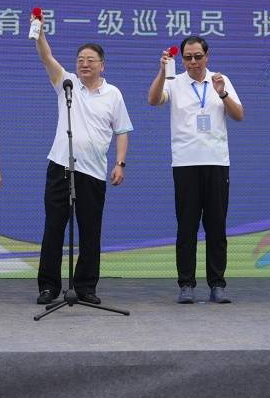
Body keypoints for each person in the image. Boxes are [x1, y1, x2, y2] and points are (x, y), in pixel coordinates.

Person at [34, 31, 132, 306]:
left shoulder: (113, 94)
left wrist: (120, 163)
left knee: (90, 232)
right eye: (80, 60)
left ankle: (86, 287)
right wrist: (39, 34)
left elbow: (122, 131)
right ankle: (49, 287)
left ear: (102, 65)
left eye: (90, 60)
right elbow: (46, 57)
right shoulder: (67, 84)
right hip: (61, 168)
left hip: (93, 173)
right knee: (54, 229)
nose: (84, 64)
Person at [149, 36, 242, 303]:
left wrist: (222, 93)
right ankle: (186, 284)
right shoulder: (173, 81)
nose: (193, 62)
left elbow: (238, 114)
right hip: (185, 164)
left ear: (207, 56)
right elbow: (153, 100)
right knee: (187, 227)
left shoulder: (220, 80)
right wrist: (161, 71)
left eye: (198, 57)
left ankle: (217, 284)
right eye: (188, 57)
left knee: (216, 227)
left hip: (216, 163)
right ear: (182, 59)